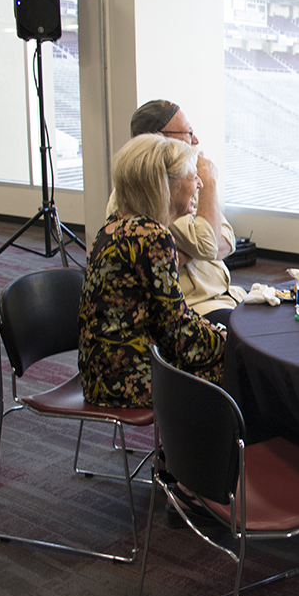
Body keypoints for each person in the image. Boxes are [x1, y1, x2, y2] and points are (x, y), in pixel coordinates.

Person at [80, 135, 226, 408]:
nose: (200, 184)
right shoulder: (151, 237)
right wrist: (225, 343)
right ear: (165, 184)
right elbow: (175, 329)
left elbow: (169, 316)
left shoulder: (115, 224)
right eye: (193, 177)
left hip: (100, 373)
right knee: (238, 368)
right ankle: (203, 451)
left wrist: (213, 334)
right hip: (129, 378)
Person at [111, 99, 247, 327]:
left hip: (225, 295)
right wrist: (210, 181)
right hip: (198, 307)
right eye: (188, 133)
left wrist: (183, 253)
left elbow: (227, 240)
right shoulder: (152, 194)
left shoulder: (180, 184)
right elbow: (209, 245)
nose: (195, 141)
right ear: (158, 139)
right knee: (256, 343)